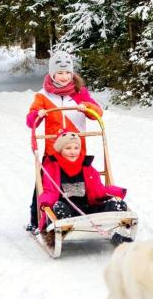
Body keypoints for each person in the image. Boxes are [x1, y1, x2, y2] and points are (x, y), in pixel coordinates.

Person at [26, 51, 104, 230]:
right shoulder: (42, 96)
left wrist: (87, 107)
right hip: (53, 151)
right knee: (45, 182)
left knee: (84, 181)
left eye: (68, 73)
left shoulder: (80, 92)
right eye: (60, 73)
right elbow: (30, 121)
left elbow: (97, 113)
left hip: (76, 149)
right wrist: (38, 114)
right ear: (52, 74)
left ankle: (88, 212)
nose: (64, 77)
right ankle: (36, 220)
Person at [38, 131, 128, 227]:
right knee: (58, 207)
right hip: (67, 210)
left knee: (112, 205)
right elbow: (50, 191)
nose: (73, 152)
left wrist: (116, 192)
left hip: (87, 209)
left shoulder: (86, 166)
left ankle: (115, 223)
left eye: (76, 148)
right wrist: (45, 203)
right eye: (68, 148)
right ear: (60, 150)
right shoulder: (52, 168)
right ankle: (65, 227)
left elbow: (97, 189)